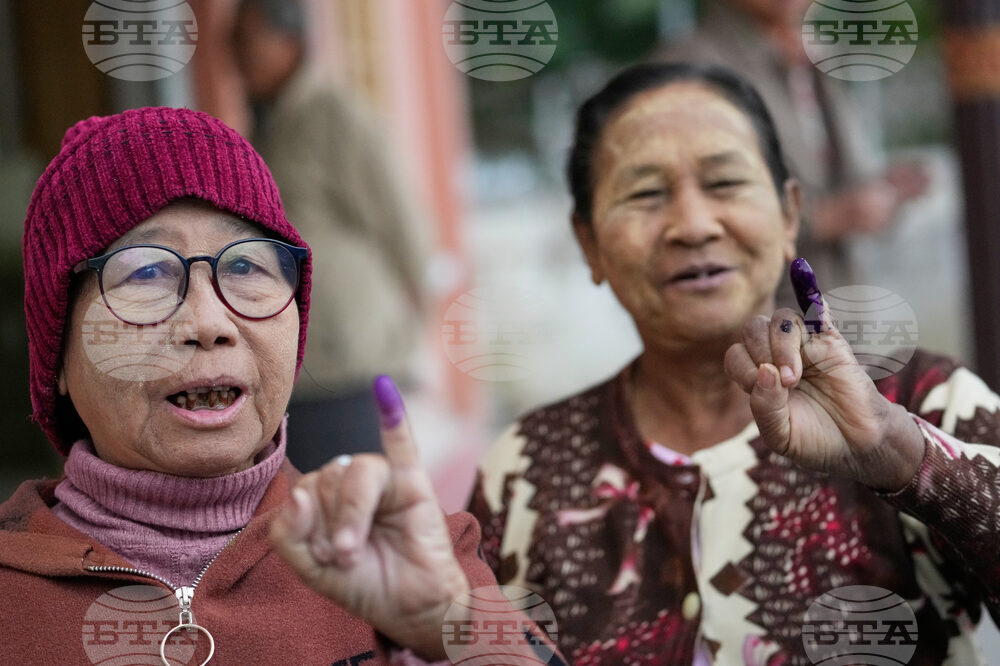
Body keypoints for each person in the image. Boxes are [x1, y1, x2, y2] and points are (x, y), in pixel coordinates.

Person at [467, 62, 1000, 664]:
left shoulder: (928, 401)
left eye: (724, 183)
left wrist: (896, 450)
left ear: (789, 215)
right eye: (645, 194)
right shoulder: (524, 470)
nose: (693, 226)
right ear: (589, 242)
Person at [0, 107, 559, 665]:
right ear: (58, 358)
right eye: (146, 272)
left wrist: (447, 627)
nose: (210, 323)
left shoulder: (414, 557)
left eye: (245, 267)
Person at [232, 0, 433, 468]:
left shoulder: (335, 114)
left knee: (355, 511)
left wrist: (415, 331)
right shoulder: (265, 124)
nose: (234, 55)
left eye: (244, 40)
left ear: (290, 42)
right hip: (292, 365)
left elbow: (405, 226)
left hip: (348, 364)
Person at [660, 0, 929, 298]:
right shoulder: (690, 67)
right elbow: (687, 213)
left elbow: (832, 171)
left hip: (836, 308)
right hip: (753, 319)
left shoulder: (808, 55)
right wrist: (822, 219)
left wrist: (881, 190)